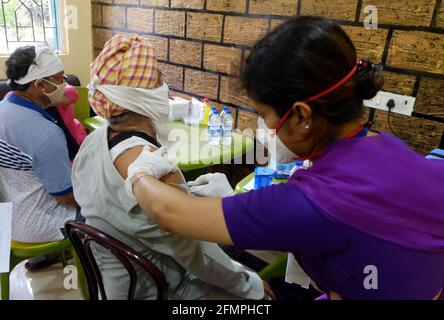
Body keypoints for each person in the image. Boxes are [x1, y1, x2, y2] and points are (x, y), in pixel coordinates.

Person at [124, 17, 444, 300]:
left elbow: (170, 212)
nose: (267, 127)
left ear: (302, 116)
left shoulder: (318, 201)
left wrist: (139, 172)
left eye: (265, 115)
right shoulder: (390, 146)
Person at [72, 35, 271, 300]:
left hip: (111, 281)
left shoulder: (93, 139)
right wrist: (251, 285)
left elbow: (117, 204)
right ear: (141, 95)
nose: (165, 86)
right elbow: (198, 258)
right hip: (158, 288)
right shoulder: (156, 168)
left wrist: (189, 192)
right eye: (158, 78)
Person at [0, 46, 83, 270]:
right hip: (37, 222)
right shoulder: (44, 133)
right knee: (108, 210)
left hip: (9, 212)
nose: (65, 83)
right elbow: (66, 196)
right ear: (39, 85)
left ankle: (44, 257)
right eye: (59, 78)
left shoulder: (5, 106)